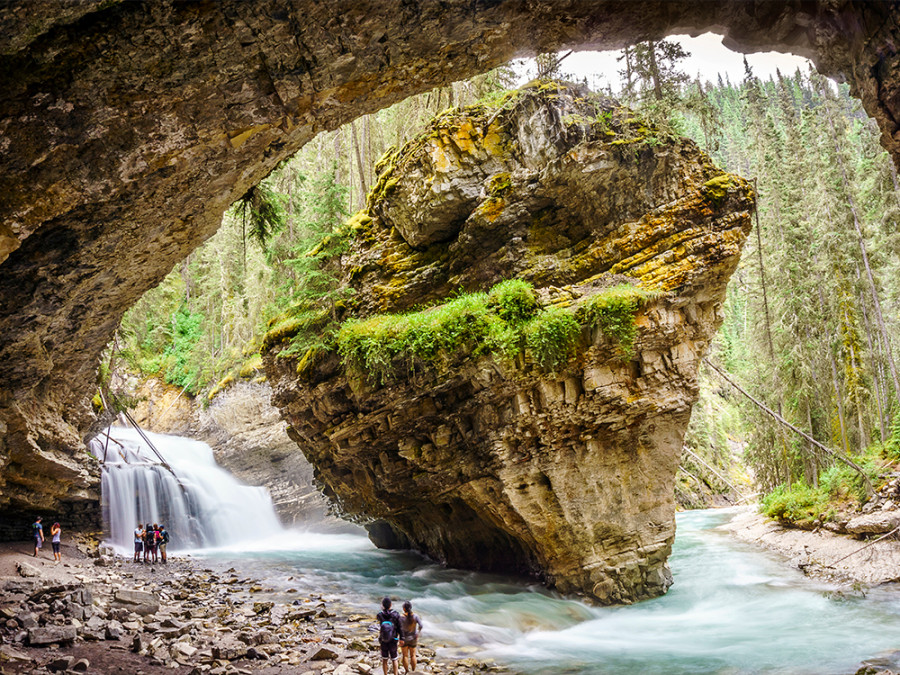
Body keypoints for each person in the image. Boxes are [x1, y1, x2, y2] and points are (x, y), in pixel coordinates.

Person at [376, 596, 401, 675]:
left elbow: (379, 620)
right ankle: (395, 674)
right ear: (391, 604)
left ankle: (385, 674)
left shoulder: (380, 615)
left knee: (384, 660)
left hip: (383, 640)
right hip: (393, 639)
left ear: (383, 605)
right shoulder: (396, 614)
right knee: (394, 659)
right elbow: (400, 627)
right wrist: (402, 638)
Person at [399, 600, 423, 674]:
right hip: (413, 638)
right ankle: (413, 671)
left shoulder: (401, 617)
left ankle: (407, 671)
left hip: (404, 638)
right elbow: (421, 625)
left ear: (404, 609)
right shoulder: (415, 616)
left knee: (405, 655)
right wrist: (417, 633)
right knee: (413, 655)